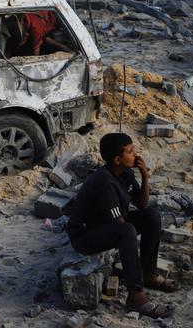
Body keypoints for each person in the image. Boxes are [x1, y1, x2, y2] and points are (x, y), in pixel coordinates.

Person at [66, 133, 176, 318]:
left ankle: (148, 274)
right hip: (84, 236)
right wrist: (130, 252)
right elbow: (120, 227)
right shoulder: (104, 182)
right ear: (117, 159)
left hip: (105, 225)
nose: (136, 155)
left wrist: (145, 176)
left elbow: (141, 204)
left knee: (152, 216)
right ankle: (135, 295)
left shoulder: (125, 173)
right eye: (131, 152)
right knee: (127, 231)